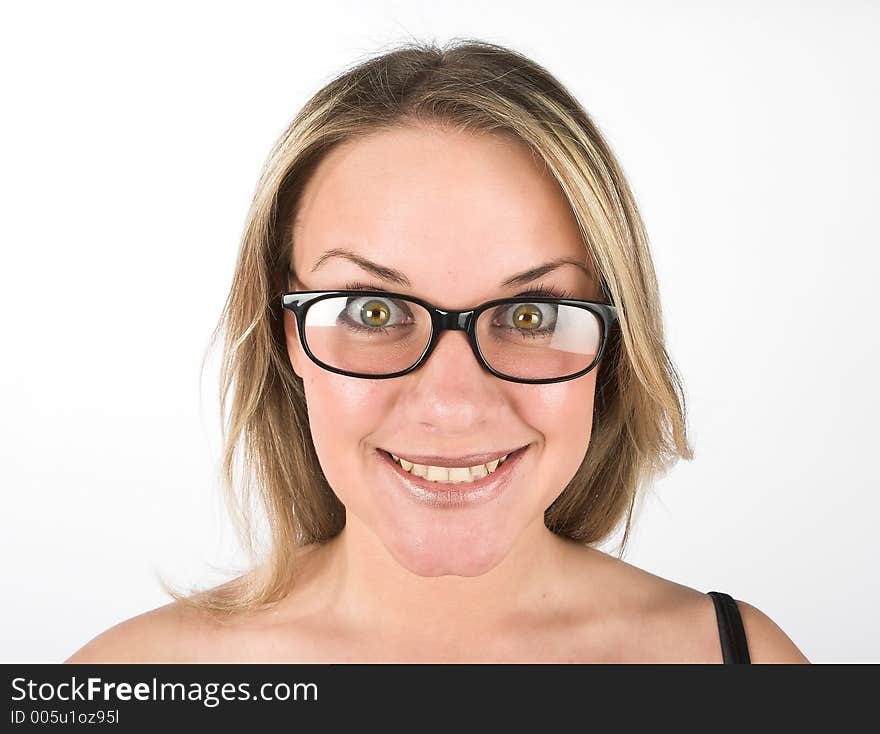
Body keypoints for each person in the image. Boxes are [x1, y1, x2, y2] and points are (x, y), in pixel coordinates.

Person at [67, 38, 808, 663]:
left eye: (530, 314)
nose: (452, 405)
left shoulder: (739, 668)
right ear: (284, 332)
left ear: (615, 342)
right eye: (373, 309)